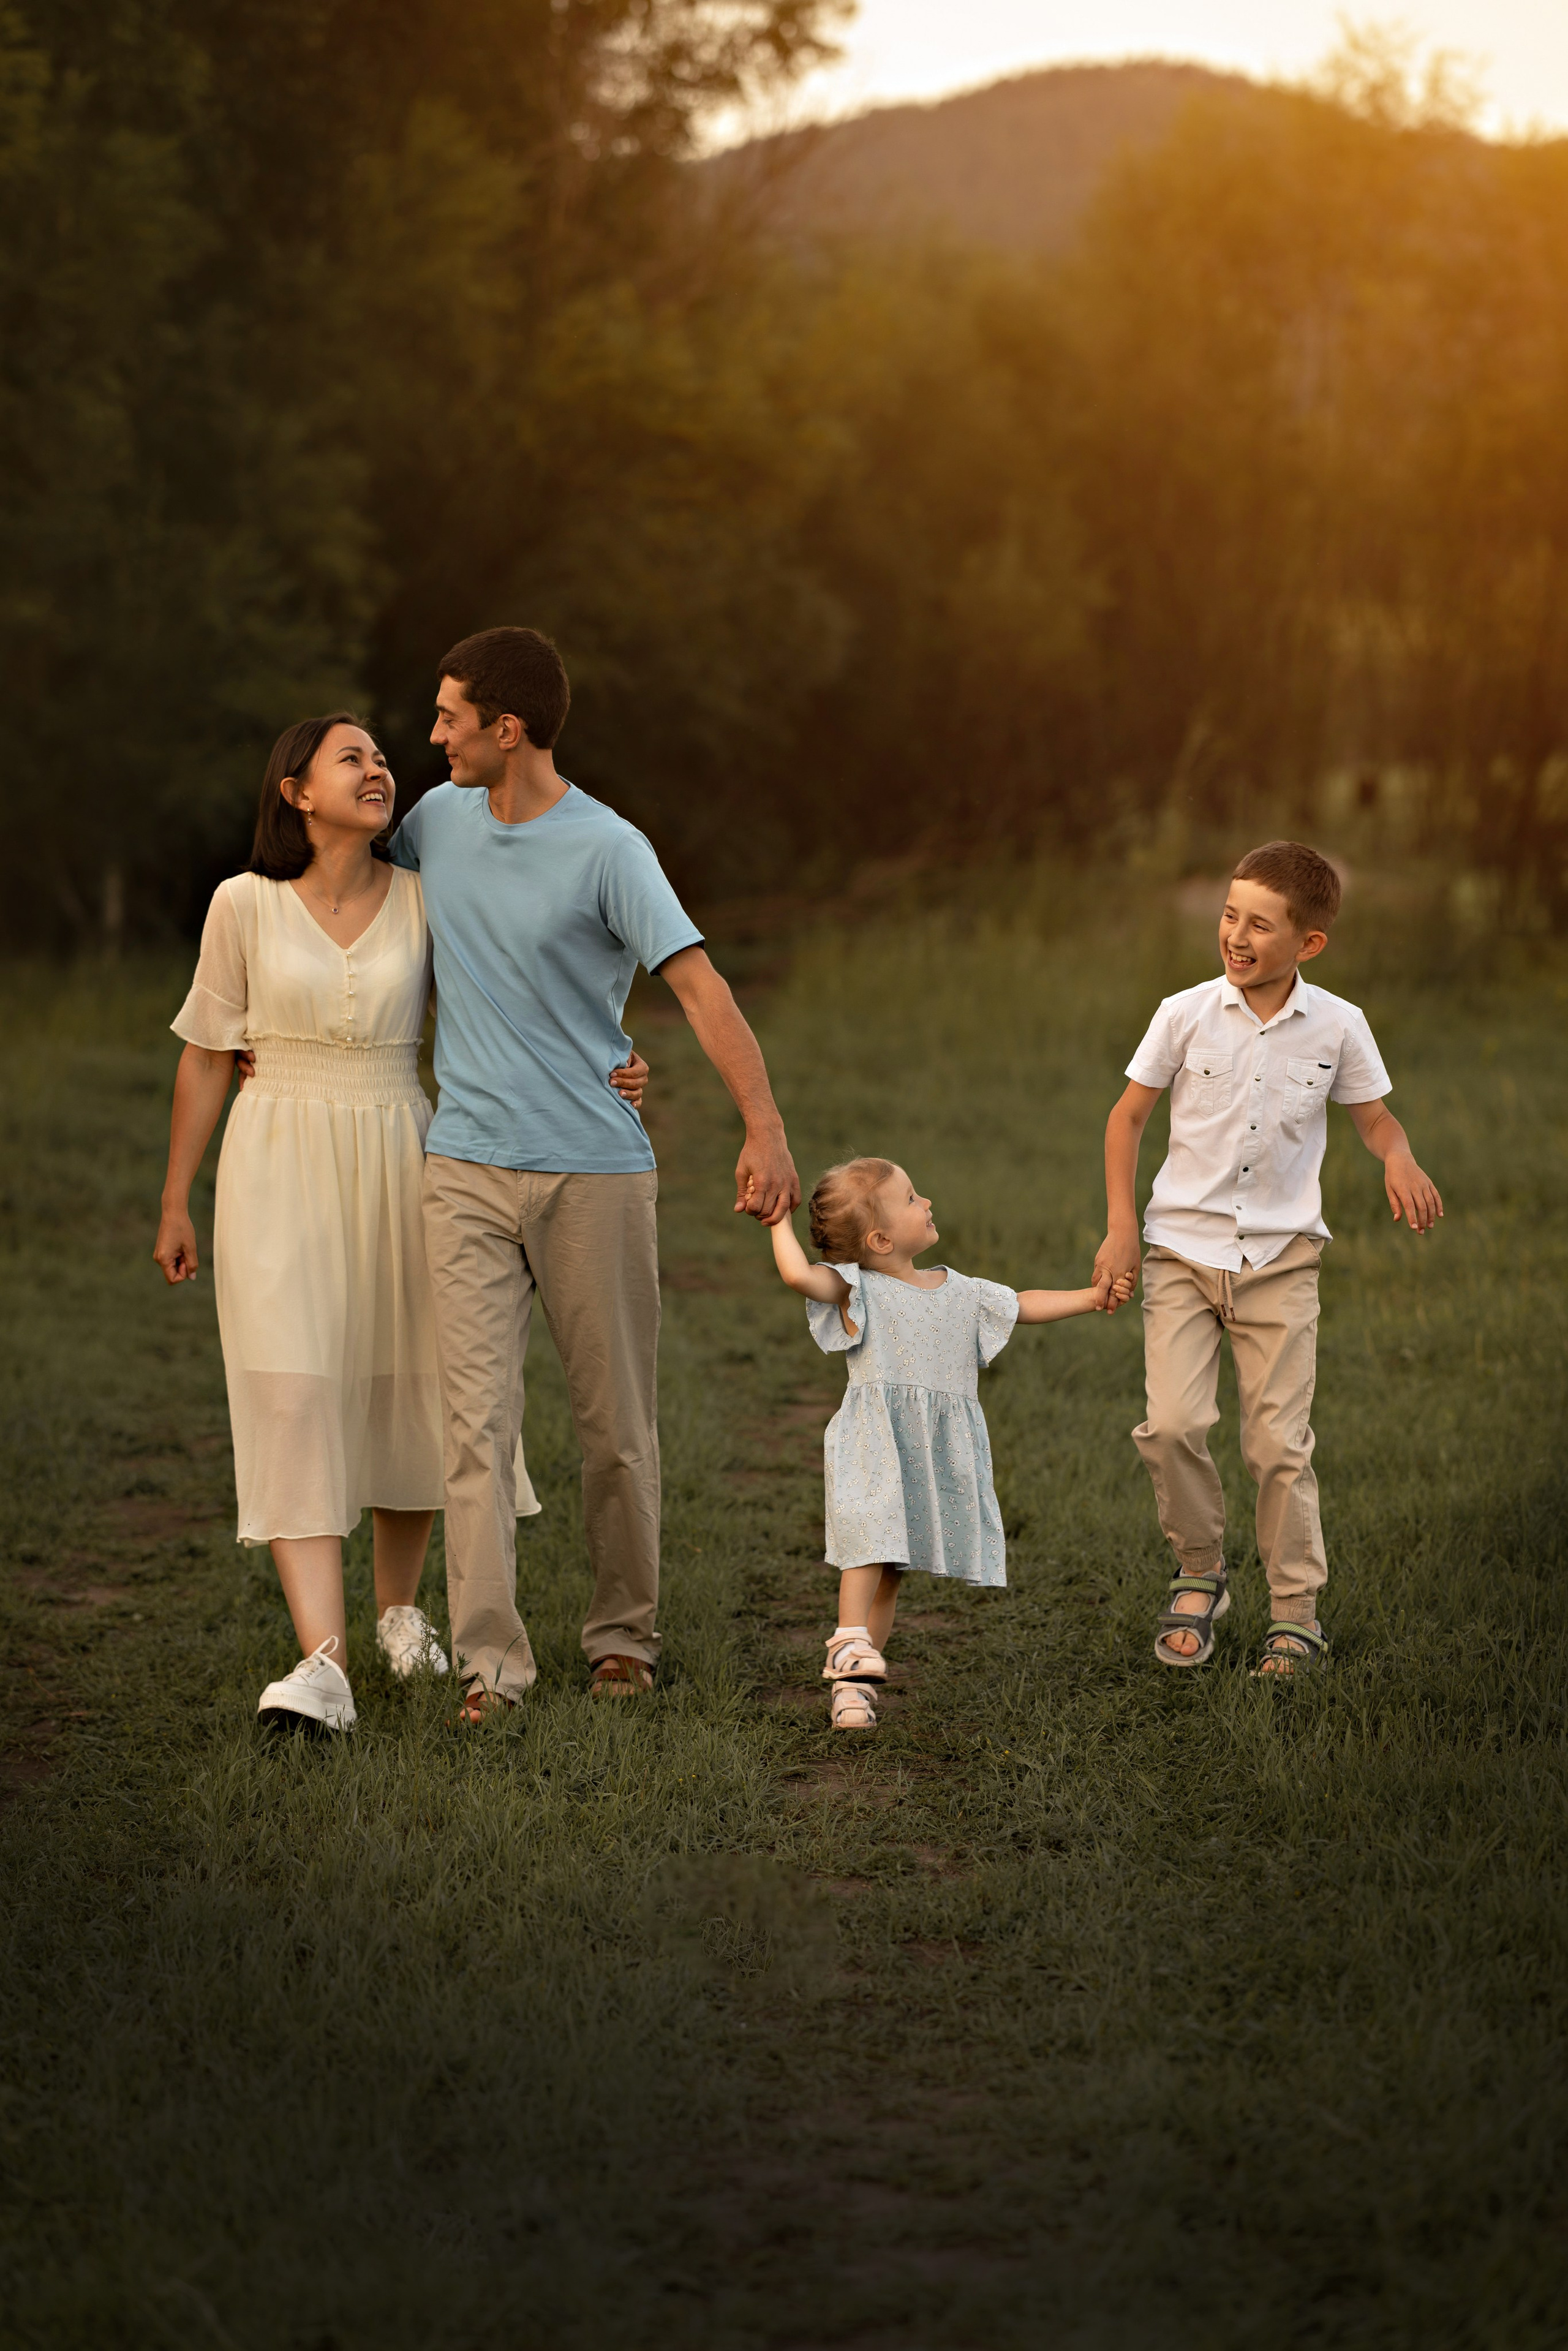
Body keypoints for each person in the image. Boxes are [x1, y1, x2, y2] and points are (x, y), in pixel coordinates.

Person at [153, 710, 648, 1730]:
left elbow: (523, 993)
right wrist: (175, 1197)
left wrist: (616, 1056)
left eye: (385, 757)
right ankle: (323, 1659)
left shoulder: (426, 897)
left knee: (414, 1382)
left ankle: (396, 1611)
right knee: (292, 1389)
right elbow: (207, 1051)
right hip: (277, 1155)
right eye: (353, 758)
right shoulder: (241, 904)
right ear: (296, 789)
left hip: (403, 1147)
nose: (381, 768)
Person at [391, 626, 799, 1721]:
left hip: (593, 1173)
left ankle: (624, 1637)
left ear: (506, 727)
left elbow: (701, 989)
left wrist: (763, 1125)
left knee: (613, 1423)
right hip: (464, 1164)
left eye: (449, 717)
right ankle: (491, 1667)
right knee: (474, 1426)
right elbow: (340, 907)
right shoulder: (433, 823)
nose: (433, 736)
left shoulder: (611, 848)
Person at [1094, 839, 1443, 1677]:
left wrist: (1397, 1156)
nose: (1236, 936)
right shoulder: (1184, 1012)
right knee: (1172, 1424)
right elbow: (1127, 1118)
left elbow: (1375, 1120)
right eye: (1229, 915)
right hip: (1180, 1250)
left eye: (1259, 924)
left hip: (1282, 1261)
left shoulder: (1339, 1026)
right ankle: (1200, 1571)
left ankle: (1296, 1614)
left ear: (1309, 942)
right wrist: (1117, 1226)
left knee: (1277, 1445)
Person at [763, 1158, 1131, 1730]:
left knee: (891, 1569)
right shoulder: (861, 1290)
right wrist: (775, 1222)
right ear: (881, 1239)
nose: (927, 1201)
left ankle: (856, 1686)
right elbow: (797, 1277)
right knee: (870, 1542)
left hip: (926, 1451)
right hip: (875, 1441)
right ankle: (847, 1639)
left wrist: (1091, 1297)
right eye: (911, 1199)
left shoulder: (959, 1291)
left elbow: (1023, 1303)